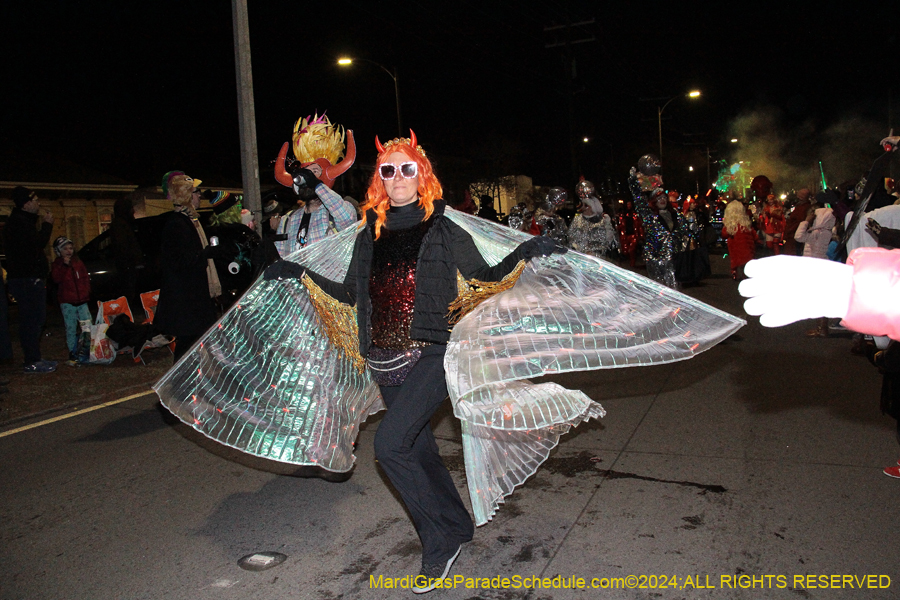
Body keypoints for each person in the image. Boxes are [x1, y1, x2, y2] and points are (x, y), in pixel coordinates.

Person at [264, 131, 567, 593]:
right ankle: (457, 525)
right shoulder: (369, 233)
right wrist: (300, 273)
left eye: (407, 168)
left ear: (421, 175)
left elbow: (483, 277)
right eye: (388, 170)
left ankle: (438, 543)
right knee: (418, 449)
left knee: (389, 447)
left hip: (432, 354)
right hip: (384, 361)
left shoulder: (443, 227)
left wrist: (525, 251)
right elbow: (350, 294)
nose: (398, 177)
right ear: (380, 180)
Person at [154, 171, 223, 361]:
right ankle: (181, 378)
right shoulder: (177, 224)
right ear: (185, 196)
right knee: (187, 346)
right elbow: (180, 262)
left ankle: (190, 377)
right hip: (187, 301)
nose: (199, 195)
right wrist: (206, 254)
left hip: (193, 300)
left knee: (193, 345)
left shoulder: (190, 221)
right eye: (195, 192)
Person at [271, 113, 358, 257]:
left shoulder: (339, 213)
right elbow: (280, 260)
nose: (307, 178)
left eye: (314, 172)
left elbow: (345, 216)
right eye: (305, 173)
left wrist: (316, 184)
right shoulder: (288, 220)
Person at [4, 186, 57, 373]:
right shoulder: (19, 224)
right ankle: (31, 360)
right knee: (32, 319)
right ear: (26, 204)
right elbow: (35, 246)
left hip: (28, 278)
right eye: (34, 200)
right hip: (26, 279)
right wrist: (47, 225)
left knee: (36, 319)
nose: (38, 203)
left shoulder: (22, 221)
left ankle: (35, 357)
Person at [794, 206, 836, 337]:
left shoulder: (818, 232)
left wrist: (805, 221)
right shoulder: (826, 231)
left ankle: (821, 329)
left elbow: (798, 236)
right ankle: (821, 328)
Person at [50, 237, 91, 365]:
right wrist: (64, 265)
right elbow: (56, 278)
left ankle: (88, 349)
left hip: (82, 300)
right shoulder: (57, 264)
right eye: (65, 249)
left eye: (70, 248)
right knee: (71, 327)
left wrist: (86, 291)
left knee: (87, 326)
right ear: (59, 251)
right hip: (67, 302)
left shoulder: (78, 262)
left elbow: (84, 277)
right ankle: (73, 352)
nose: (69, 251)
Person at [109, 197, 144, 311]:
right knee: (127, 294)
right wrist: (131, 263)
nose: (133, 211)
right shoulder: (120, 225)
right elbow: (123, 247)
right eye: (131, 208)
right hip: (127, 267)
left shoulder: (125, 224)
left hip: (130, 266)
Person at [568, 179, 618, 258]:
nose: (583, 208)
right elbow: (571, 237)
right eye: (582, 205)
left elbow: (608, 241)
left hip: (598, 258)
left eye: (586, 205)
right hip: (581, 257)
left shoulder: (602, 220)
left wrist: (595, 251)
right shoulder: (577, 220)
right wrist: (579, 249)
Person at [721, 200, 756, 280]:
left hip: (734, 244)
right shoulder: (745, 224)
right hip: (746, 244)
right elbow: (753, 233)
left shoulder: (730, 225)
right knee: (746, 259)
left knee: (735, 258)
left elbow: (724, 234)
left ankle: (734, 271)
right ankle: (745, 273)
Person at [783, 188, 812, 255]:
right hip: (793, 234)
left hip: (794, 234)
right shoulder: (801, 206)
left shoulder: (804, 208)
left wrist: (790, 230)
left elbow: (799, 221)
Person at [617, 199, 643, 267]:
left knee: (632, 249)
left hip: (633, 234)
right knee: (625, 250)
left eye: (630, 204)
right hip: (625, 235)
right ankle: (630, 262)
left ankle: (632, 263)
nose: (629, 206)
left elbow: (639, 225)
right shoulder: (623, 215)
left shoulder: (635, 215)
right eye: (628, 204)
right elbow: (621, 225)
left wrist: (641, 235)